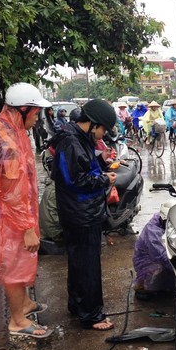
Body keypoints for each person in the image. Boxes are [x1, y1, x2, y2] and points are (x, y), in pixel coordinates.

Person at [0, 82, 53, 339]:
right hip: (8, 218)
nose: (37, 119)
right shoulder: (8, 145)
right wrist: (27, 228)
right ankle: (17, 321)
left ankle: (24, 304)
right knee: (14, 266)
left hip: (6, 213)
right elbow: (12, 193)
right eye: (36, 113)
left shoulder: (5, 129)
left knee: (19, 262)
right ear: (23, 109)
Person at [50, 99, 117, 331]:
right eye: (103, 130)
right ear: (93, 124)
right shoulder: (70, 141)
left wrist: (101, 161)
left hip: (80, 211)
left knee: (79, 263)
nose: (102, 135)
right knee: (88, 266)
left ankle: (77, 305)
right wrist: (104, 179)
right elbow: (74, 180)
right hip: (80, 213)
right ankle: (91, 315)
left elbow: (81, 167)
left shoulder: (78, 139)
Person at [132, 200, 176, 300]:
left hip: (159, 259)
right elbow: (162, 256)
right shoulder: (152, 230)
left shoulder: (169, 221)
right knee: (159, 270)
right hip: (147, 261)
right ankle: (142, 286)